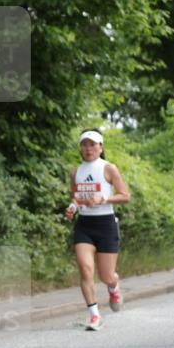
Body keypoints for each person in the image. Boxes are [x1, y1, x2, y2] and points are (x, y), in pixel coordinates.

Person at [64, 129, 130, 330]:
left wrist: (104, 198)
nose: (88, 148)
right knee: (85, 270)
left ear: (101, 147)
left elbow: (125, 195)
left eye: (92, 144)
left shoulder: (108, 168)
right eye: (84, 144)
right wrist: (72, 207)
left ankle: (113, 286)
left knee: (106, 276)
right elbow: (75, 197)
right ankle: (94, 315)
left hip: (106, 225)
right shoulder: (76, 172)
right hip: (84, 226)